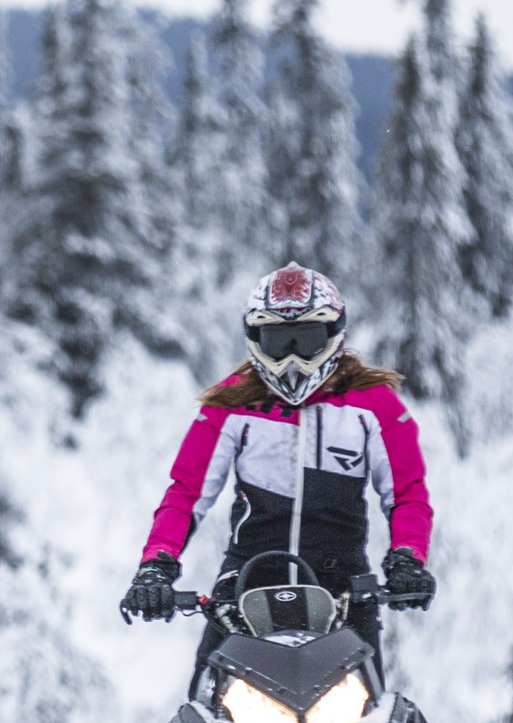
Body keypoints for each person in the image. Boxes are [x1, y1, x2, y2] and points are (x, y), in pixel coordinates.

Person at [121, 264, 433, 674]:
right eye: (276, 340)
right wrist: (156, 567)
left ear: (333, 334)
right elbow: (186, 494)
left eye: (304, 340)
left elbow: (407, 494)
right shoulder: (231, 405)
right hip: (245, 587)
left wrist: (407, 560)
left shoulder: (374, 407)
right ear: (254, 339)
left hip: (344, 591)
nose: (290, 357)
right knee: (198, 719)